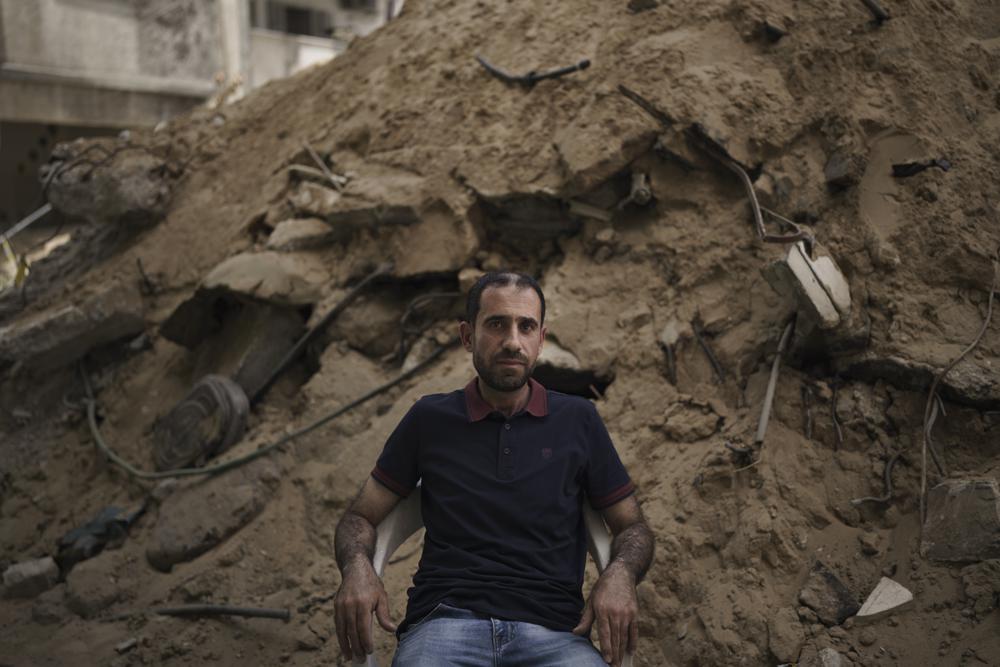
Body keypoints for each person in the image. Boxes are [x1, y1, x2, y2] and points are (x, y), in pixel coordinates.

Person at [334, 271, 654, 667]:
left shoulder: (579, 420)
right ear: (468, 336)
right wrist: (357, 567)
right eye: (497, 324)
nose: (512, 342)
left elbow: (632, 527)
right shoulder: (429, 418)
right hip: (444, 627)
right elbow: (360, 517)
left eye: (526, 327)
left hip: (556, 636)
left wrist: (620, 574)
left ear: (541, 340)